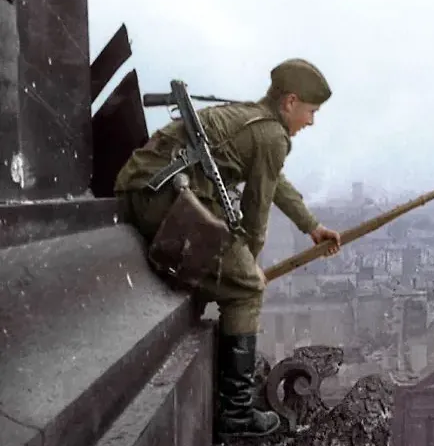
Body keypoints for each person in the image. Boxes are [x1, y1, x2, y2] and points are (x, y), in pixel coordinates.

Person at [114, 58, 341, 440]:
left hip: (142, 188)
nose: (311, 122)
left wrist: (311, 226)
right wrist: (245, 273)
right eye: (311, 111)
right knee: (249, 288)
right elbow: (256, 215)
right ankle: (235, 413)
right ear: (289, 102)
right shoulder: (272, 135)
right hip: (161, 199)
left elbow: (275, 180)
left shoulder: (255, 119)